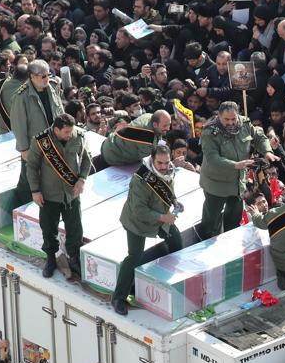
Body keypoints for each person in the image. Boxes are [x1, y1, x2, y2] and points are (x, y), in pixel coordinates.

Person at [111, 144, 184, 315]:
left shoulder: (168, 170)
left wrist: (174, 202)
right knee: (134, 256)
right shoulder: (140, 179)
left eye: (166, 163)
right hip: (137, 222)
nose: (164, 167)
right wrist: (164, 218)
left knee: (176, 240)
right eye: (160, 163)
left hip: (160, 215)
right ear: (152, 160)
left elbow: (168, 189)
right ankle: (119, 297)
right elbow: (139, 210)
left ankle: (171, 281)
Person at [26, 113, 93, 279]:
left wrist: (82, 179)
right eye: (66, 132)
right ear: (56, 129)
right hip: (49, 194)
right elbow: (32, 167)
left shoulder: (79, 136)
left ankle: (74, 258)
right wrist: (35, 190)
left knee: (75, 229)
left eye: (71, 131)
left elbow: (86, 159)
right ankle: (50, 258)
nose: (70, 135)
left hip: (72, 194)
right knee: (48, 229)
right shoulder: (41, 141)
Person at [199, 101, 276, 239]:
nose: (231, 122)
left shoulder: (244, 123)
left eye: (233, 119)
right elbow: (212, 157)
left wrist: (267, 151)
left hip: (238, 182)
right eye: (226, 119)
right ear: (219, 116)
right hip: (216, 183)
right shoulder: (210, 131)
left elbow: (258, 136)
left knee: (234, 218)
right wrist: (235, 165)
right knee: (211, 220)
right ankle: (205, 241)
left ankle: (230, 240)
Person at [11, 60, 66, 208]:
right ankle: (17, 209)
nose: (46, 79)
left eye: (47, 75)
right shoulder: (21, 96)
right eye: (42, 76)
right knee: (27, 180)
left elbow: (60, 110)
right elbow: (18, 124)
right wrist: (24, 148)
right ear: (32, 76)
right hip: (34, 145)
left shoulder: (53, 86)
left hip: (54, 141)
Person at [97, 110, 172, 169]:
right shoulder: (147, 139)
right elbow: (153, 162)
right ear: (155, 124)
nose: (168, 128)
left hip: (110, 142)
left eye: (169, 125)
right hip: (112, 156)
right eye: (165, 126)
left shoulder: (150, 116)